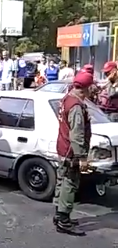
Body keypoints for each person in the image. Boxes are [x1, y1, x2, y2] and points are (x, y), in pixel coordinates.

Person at [52, 72, 94, 236]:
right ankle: (64, 220)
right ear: (87, 87)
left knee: (62, 182)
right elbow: (76, 135)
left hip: (63, 147)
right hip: (71, 151)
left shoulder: (67, 98)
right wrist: (82, 157)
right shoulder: (76, 106)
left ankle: (59, 214)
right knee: (70, 184)